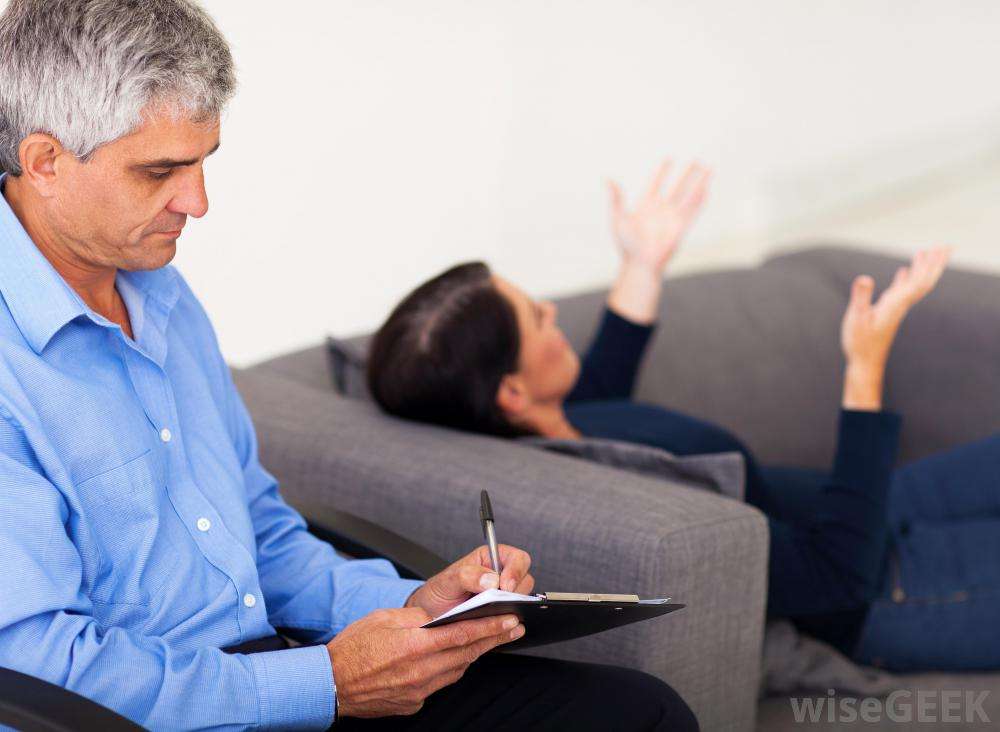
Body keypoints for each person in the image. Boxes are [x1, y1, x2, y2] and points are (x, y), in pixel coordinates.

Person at [0, 1, 701, 730]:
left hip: (283, 673)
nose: (198, 202)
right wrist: (325, 682)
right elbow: (42, 667)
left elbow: (260, 533)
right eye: (159, 172)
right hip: (161, 715)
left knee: (639, 713)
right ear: (45, 161)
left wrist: (406, 607)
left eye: (203, 162)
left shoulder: (158, 292)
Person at [368, 159, 1000, 673]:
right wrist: (865, 368)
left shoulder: (558, 428)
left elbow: (603, 388)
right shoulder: (628, 496)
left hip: (877, 507)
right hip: (886, 590)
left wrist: (643, 264)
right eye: (537, 317)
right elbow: (835, 576)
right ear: (511, 394)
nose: (555, 315)